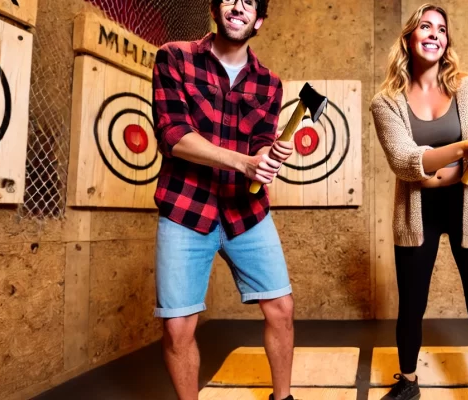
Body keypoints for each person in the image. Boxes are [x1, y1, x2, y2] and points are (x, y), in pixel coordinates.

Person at [150, 0, 295, 399]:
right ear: (217, 9)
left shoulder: (270, 82)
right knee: (178, 327)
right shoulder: (174, 57)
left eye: (249, 3)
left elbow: (263, 139)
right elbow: (173, 134)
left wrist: (266, 155)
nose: (238, 6)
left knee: (281, 309)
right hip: (185, 208)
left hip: (246, 213)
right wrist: (244, 162)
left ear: (259, 20)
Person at [370, 3, 468, 400]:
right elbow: (404, 161)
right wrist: (467, 147)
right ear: (409, 38)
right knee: (411, 307)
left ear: (447, 40)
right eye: (425, 26)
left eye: (441, 29)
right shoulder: (386, 102)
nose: (434, 33)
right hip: (418, 215)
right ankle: (409, 384)